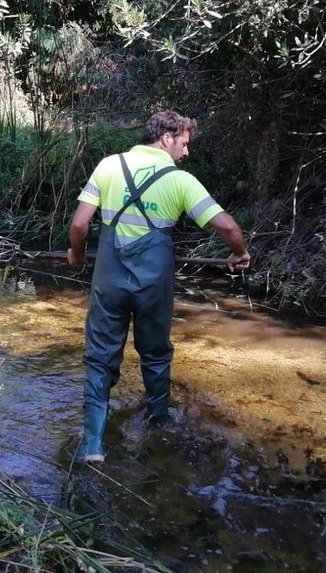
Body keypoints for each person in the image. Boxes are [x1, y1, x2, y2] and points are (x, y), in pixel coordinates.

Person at [66, 110, 251, 463]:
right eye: (183, 144)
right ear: (166, 138)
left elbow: (79, 225)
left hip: (109, 284)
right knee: (155, 354)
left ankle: (92, 447)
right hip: (154, 288)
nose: (186, 153)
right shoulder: (181, 181)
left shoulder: (109, 166)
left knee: (100, 359)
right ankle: (160, 423)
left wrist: (76, 254)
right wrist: (238, 253)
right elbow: (228, 228)